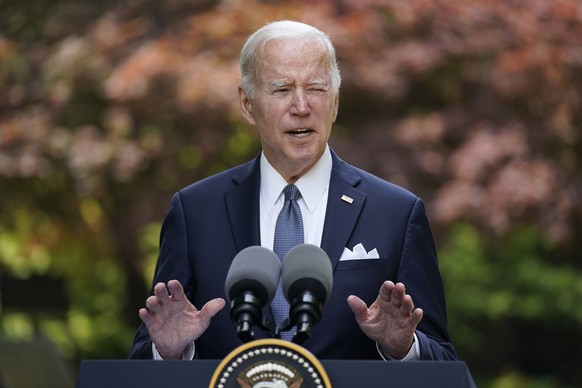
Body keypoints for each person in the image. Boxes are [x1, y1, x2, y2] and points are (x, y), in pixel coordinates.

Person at [129, 20, 457, 361]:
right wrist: (167, 351)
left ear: (335, 102)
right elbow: (140, 360)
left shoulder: (397, 213)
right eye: (282, 90)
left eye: (316, 88)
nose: (301, 106)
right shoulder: (194, 212)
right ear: (247, 103)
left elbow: (445, 363)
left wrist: (404, 348)